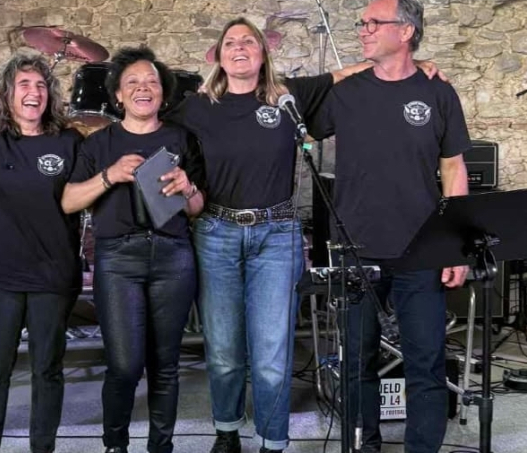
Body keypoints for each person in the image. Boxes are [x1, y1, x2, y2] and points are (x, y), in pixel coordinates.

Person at [164, 16, 444, 453]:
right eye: (230, 42)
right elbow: (150, 127)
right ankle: (227, 431)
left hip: (277, 234)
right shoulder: (197, 106)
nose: (239, 48)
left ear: (263, 53)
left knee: (272, 352)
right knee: (223, 351)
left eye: (249, 41)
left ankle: (272, 441)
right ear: (218, 55)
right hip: (217, 232)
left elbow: (346, 73)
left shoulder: (287, 96)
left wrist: (413, 65)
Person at [309, 1, 469, 452]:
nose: (363, 30)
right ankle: (366, 445)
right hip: (355, 250)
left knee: (426, 362)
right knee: (356, 362)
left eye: (373, 22)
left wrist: (454, 245)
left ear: (406, 31)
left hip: (421, 249)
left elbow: (454, 168)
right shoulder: (345, 92)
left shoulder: (438, 92)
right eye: (362, 22)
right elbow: (295, 119)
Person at [61, 46, 206, 453]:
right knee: (124, 365)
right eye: (133, 83)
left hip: (174, 256)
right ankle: (115, 445)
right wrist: (109, 176)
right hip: (118, 260)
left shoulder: (181, 139)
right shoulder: (98, 143)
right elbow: (69, 201)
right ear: (118, 95)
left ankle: (161, 446)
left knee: (166, 366)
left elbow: (197, 208)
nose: (144, 88)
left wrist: (187, 188)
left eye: (151, 82)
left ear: (163, 92)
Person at [0, 53, 84, 453]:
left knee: (48, 369)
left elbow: (83, 193)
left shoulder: (68, 141)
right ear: (6, 94)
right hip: (0, 275)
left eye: (41, 85)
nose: (34, 92)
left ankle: (43, 448)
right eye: (24, 84)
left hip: (53, 275)